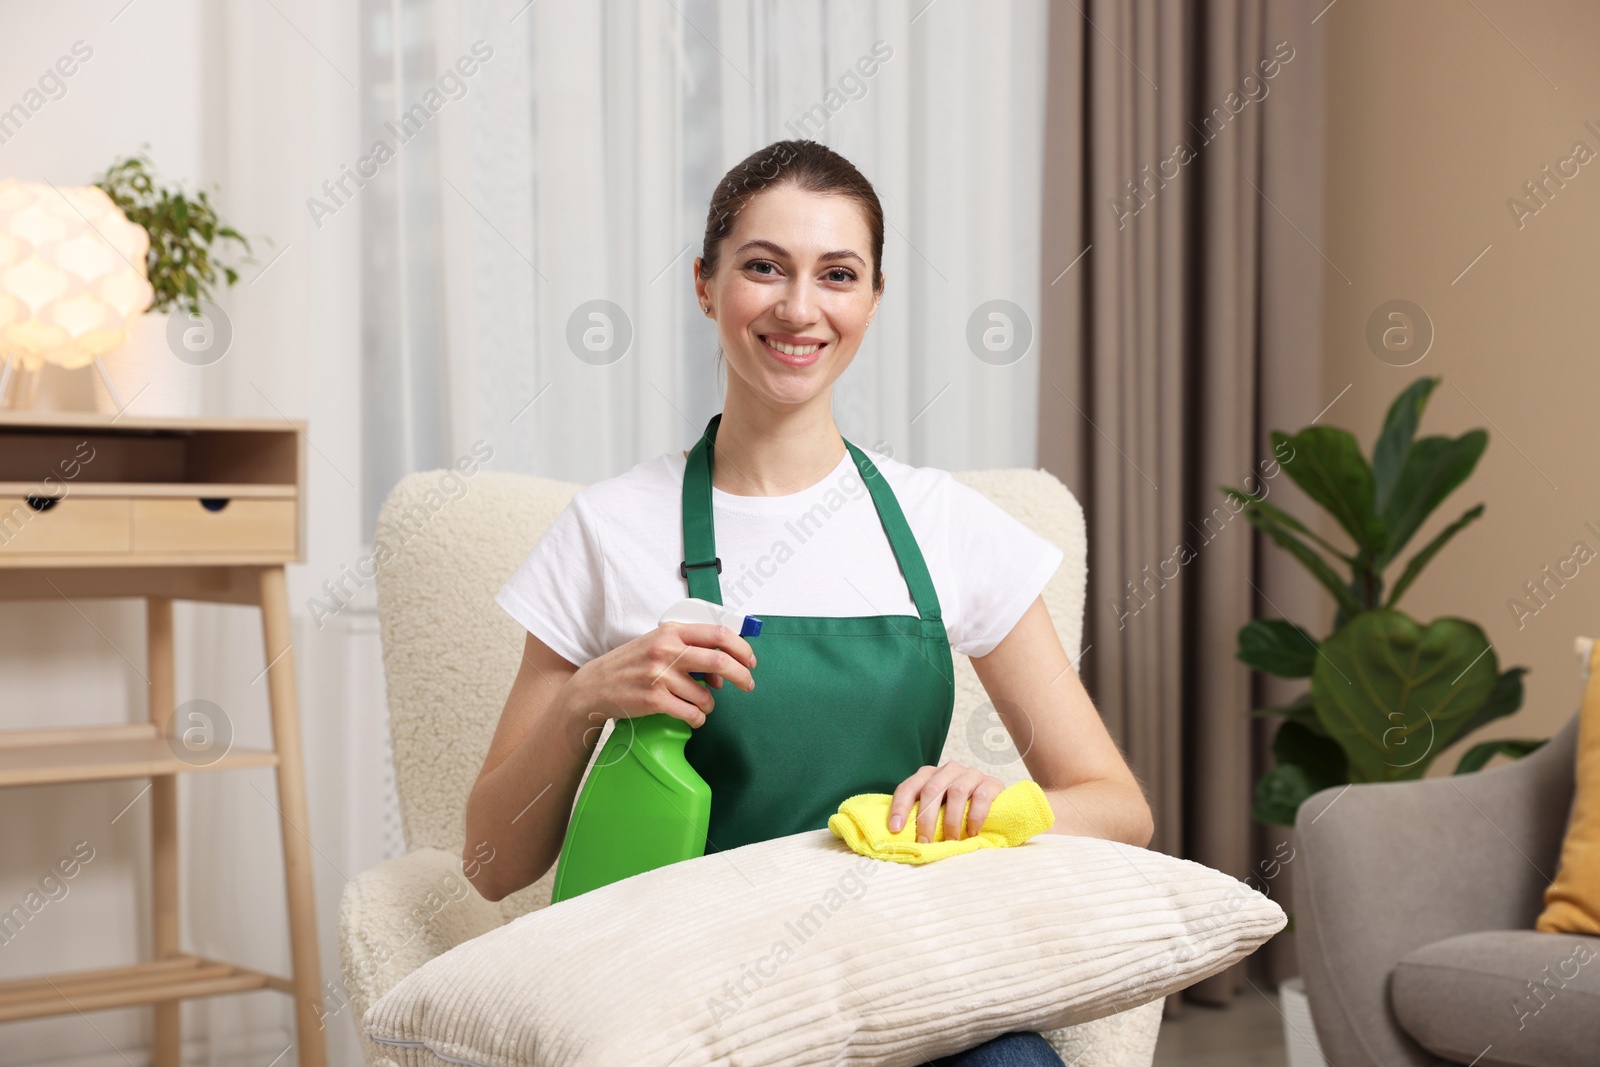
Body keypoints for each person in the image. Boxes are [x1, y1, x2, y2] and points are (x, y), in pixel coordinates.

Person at [463, 139, 1153, 1066]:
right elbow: (489, 864)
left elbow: (1118, 806)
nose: (799, 308)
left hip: (905, 983)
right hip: (690, 997)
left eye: (837, 274)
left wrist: (1000, 804)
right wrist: (586, 697)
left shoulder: (944, 522)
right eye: (763, 268)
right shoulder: (609, 528)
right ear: (705, 284)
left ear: (871, 300)